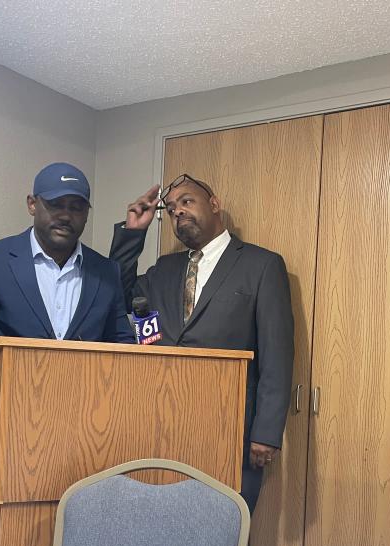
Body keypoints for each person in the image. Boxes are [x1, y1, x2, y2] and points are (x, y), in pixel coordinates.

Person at [110, 175, 294, 512]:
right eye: (170, 208)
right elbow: (116, 293)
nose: (177, 211)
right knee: (163, 528)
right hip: (161, 426)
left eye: (186, 202)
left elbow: (276, 353)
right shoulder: (165, 268)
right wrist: (134, 232)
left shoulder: (261, 265)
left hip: (229, 430)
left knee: (223, 532)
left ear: (213, 204)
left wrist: (266, 432)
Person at [0, 163, 134, 367]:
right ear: (32, 204)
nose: (65, 216)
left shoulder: (106, 271)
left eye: (76, 208)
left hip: (86, 395)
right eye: (55, 204)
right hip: (10, 392)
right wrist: (19, 368)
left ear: (87, 214)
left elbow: (122, 344)